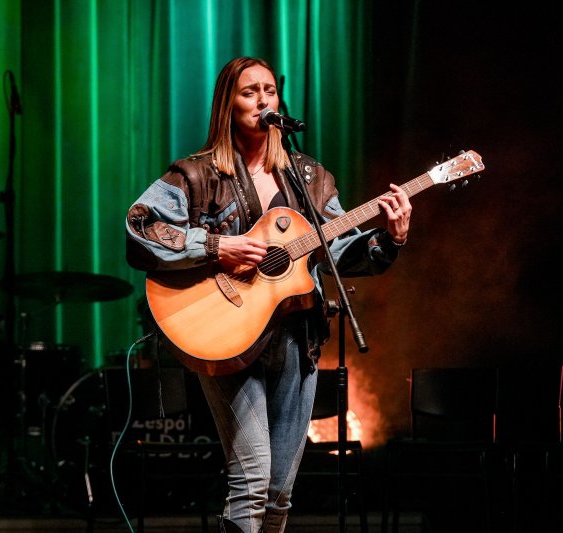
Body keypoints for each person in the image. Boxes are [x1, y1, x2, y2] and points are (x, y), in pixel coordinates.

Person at [124, 56, 411, 533]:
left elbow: (337, 252)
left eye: (269, 91)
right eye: (249, 91)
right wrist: (217, 246)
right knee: (252, 481)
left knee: (279, 492)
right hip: (226, 336)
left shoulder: (309, 177)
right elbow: (141, 226)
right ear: (227, 105)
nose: (263, 100)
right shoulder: (197, 174)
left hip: (298, 339)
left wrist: (389, 239)